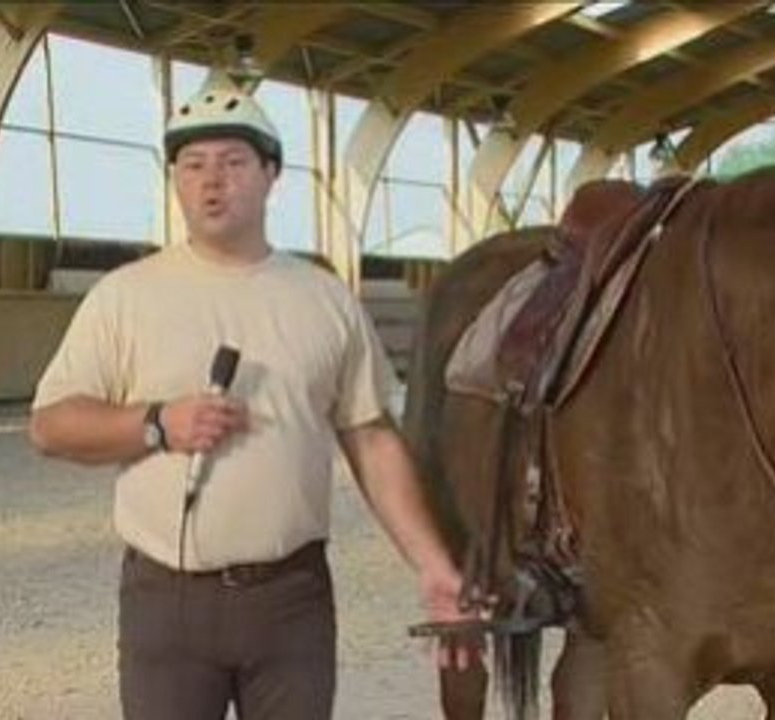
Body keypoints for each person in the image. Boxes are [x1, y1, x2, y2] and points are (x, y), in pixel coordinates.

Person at [28, 78, 471, 720]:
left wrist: (432, 565)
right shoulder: (124, 298)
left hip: (291, 598)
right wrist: (157, 423)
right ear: (175, 180)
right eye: (193, 165)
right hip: (166, 598)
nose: (212, 182)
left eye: (234, 163)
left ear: (270, 175)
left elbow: (371, 438)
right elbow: (50, 425)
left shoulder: (324, 300)